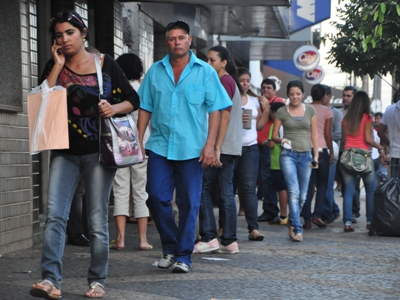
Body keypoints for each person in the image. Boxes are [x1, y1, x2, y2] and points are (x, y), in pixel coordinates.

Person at [29, 10, 139, 299]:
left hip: (98, 153)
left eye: (70, 33)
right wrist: (57, 65)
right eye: (59, 35)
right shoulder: (56, 65)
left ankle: (97, 281)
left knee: (96, 219)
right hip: (64, 152)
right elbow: (43, 100)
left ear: (83, 32)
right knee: (55, 216)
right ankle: (50, 280)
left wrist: (113, 108)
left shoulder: (105, 64)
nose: (64, 39)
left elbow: (133, 99)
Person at [137, 20, 232, 274]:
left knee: (190, 202)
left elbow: (216, 110)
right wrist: (137, 139)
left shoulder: (205, 71)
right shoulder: (155, 71)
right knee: (156, 196)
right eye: (171, 38)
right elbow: (145, 106)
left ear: (189, 40)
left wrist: (211, 145)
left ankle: (183, 255)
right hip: (159, 145)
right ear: (166, 42)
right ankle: (170, 247)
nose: (176, 42)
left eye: (181, 37)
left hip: (192, 149)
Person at [194, 46, 242, 254]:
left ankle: (210, 237)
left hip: (222, 146)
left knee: (204, 189)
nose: (208, 63)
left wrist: (215, 147)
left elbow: (224, 115)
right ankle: (229, 240)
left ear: (224, 63)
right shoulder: (227, 81)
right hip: (228, 145)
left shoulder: (224, 81)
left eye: (212, 60)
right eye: (207, 59)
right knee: (225, 192)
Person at [110, 53, 152, 251]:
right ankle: (143, 240)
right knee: (140, 191)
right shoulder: (143, 89)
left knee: (120, 190)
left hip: (120, 144)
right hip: (141, 145)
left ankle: (120, 239)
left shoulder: (117, 90)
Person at [272, 80, 319, 242]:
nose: (295, 97)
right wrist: (282, 141)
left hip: (306, 155)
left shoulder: (311, 110)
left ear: (303, 94)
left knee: (303, 196)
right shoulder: (282, 112)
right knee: (293, 192)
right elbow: (274, 135)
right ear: (288, 95)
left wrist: (316, 156)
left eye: (298, 94)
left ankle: (292, 222)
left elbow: (314, 135)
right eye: (292, 94)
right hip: (288, 155)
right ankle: (297, 229)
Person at [234, 67, 270, 241]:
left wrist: (267, 110)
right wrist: (236, 118)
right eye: (242, 80)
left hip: (251, 148)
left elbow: (259, 127)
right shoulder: (229, 98)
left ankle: (253, 228)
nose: (245, 83)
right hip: (231, 148)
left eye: (248, 80)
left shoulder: (254, 101)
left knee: (249, 188)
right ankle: (223, 229)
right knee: (228, 189)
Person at [340, 91, 384, 232]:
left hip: (348, 156)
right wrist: (380, 148)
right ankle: (370, 222)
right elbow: (368, 139)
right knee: (370, 191)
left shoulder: (345, 119)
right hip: (364, 158)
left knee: (348, 191)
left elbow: (343, 141)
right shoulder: (367, 118)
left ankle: (347, 223)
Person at [302, 84, 333, 229]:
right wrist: (331, 151)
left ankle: (306, 218)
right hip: (321, 149)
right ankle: (317, 215)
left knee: (308, 184)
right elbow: (327, 133)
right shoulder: (328, 111)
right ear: (323, 96)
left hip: (306, 149)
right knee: (322, 184)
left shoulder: (304, 108)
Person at [257, 78, 286, 223]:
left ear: (274, 90)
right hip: (259, 144)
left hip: (272, 147)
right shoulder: (260, 103)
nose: (265, 91)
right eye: (263, 88)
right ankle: (270, 209)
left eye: (269, 88)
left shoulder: (277, 103)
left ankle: (271, 210)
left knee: (269, 180)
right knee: (264, 179)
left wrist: (268, 108)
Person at [338, 86, 361, 223]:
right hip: (341, 151)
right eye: (344, 95)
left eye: (348, 96)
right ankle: (348, 212)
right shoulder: (339, 112)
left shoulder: (359, 114)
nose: (345, 98)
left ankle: (353, 212)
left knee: (355, 184)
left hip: (355, 152)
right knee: (345, 184)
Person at [321, 85, 342, 224]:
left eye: (322, 96)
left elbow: (339, 133)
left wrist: (324, 136)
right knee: (321, 183)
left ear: (329, 96)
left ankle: (329, 211)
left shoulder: (336, 113)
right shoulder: (316, 111)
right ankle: (332, 209)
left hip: (331, 151)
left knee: (328, 183)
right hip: (320, 150)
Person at [266, 102, 288, 224]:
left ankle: (283, 215)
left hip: (277, 162)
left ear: (275, 113)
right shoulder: (289, 124)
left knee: (281, 189)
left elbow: (271, 144)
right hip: (290, 161)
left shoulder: (275, 125)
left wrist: (264, 143)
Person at [378, 95, 400, 178]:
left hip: (395, 155)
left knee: (394, 186)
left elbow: (380, 132)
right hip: (394, 154)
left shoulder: (390, 110)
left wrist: (391, 144)